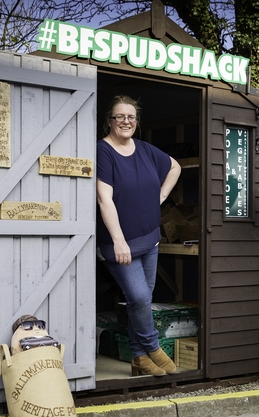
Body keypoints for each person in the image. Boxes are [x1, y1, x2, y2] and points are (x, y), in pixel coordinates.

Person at [96, 95, 181, 376]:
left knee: (139, 299)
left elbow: (175, 166)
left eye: (131, 117)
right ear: (109, 120)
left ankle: (138, 358)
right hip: (120, 244)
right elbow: (104, 200)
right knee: (141, 298)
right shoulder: (103, 152)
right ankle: (153, 346)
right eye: (119, 116)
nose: (126, 121)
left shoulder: (145, 150)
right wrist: (119, 241)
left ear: (137, 121)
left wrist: (161, 196)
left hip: (150, 239)